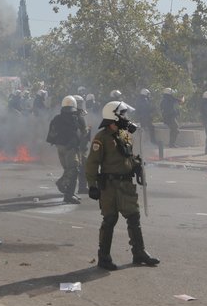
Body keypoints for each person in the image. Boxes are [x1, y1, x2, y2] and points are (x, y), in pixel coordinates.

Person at [86, 101, 159, 270]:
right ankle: (104, 257)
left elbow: (128, 156)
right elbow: (91, 163)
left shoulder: (125, 134)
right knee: (110, 219)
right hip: (109, 186)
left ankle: (139, 253)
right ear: (114, 116)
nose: (126, 118)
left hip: (126, 185)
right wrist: (92, 185)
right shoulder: (101, 138)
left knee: (134, 217)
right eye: (123, 114)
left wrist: (137, 166)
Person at [46, 95, 87, 204]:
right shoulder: (77, 117)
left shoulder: (57, 118)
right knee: (74, 169)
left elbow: (52, 134)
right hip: (71, 148)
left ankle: (70, 193)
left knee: (69, 169)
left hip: (60, 147)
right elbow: (84, 133)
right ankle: (68, 194)